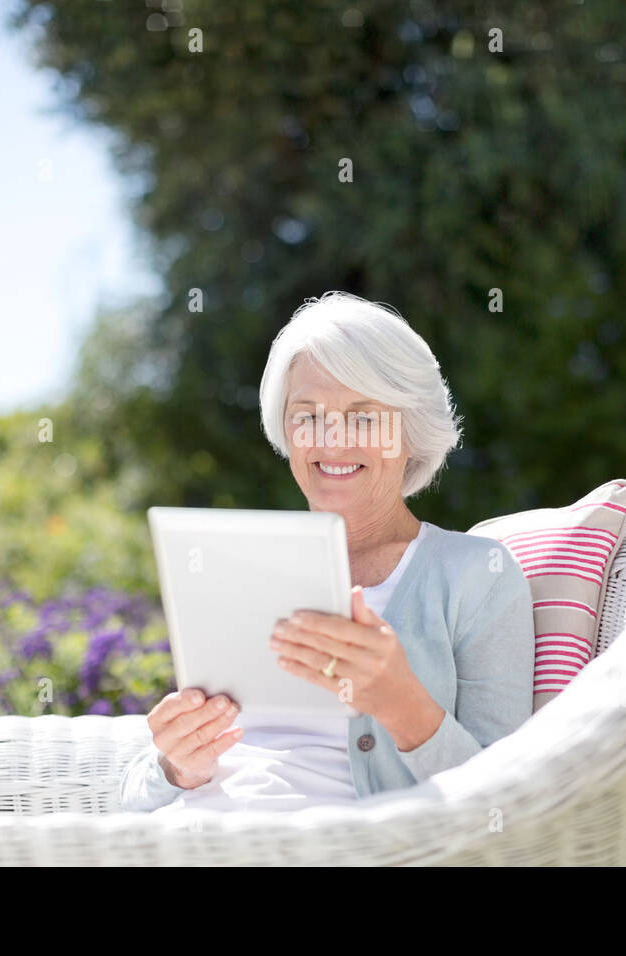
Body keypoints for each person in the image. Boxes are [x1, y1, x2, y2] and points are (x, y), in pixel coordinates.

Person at [120, 291, 535, 815]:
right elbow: (135, 795)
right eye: (307, 415)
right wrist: (176, 764)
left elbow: (509, 810)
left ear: (411, 431)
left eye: (364, 417)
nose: (331, 441)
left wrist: (401, 704)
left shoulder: (477, 577)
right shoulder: (239, 566)